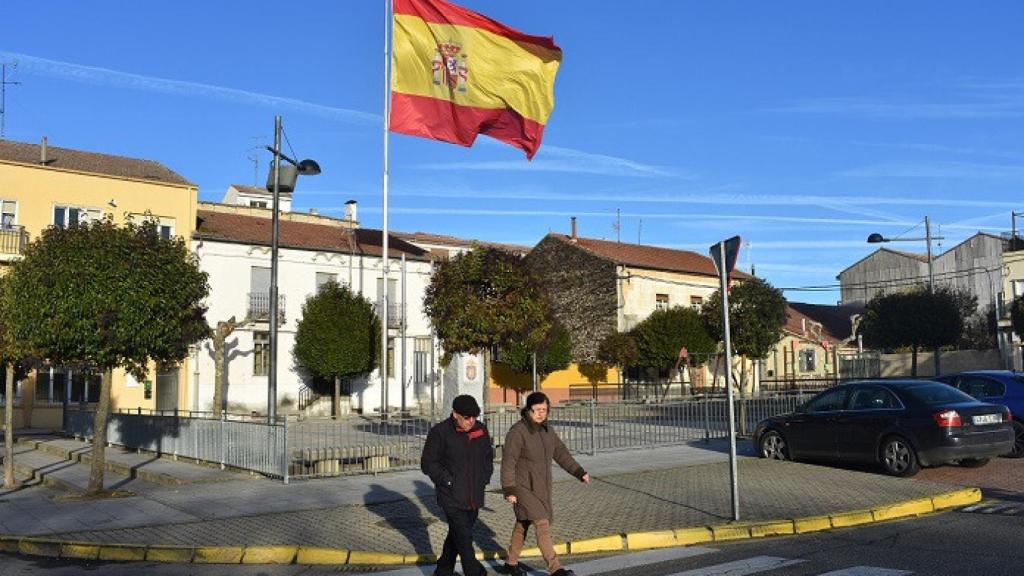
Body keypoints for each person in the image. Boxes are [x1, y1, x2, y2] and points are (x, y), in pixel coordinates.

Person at [500, 392, 590, 576]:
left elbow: (562, 454)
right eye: (537, 410)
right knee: (541, 523)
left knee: (522, 523)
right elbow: (508, 462)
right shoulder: (518, 432)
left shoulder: (547, 431)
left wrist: (579, 472)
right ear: (528, 410)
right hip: (522, 487)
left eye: (545, 410)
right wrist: (509, 489)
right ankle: (555, 569)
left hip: (541, 486)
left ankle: (510, 563)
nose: (541, 414)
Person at [421, 394, 494, 576]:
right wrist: (447, 480)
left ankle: (443, 571)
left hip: (474, 495)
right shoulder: (440, 432)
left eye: (474, 417)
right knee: (464, 538)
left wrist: (484, 477)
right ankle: (474, 571)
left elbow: (487, 458)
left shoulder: (481, 430)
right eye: (466, 417)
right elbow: (428, 463)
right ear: (455, 414)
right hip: (451, 495)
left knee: (457, 535)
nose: (471, 421)